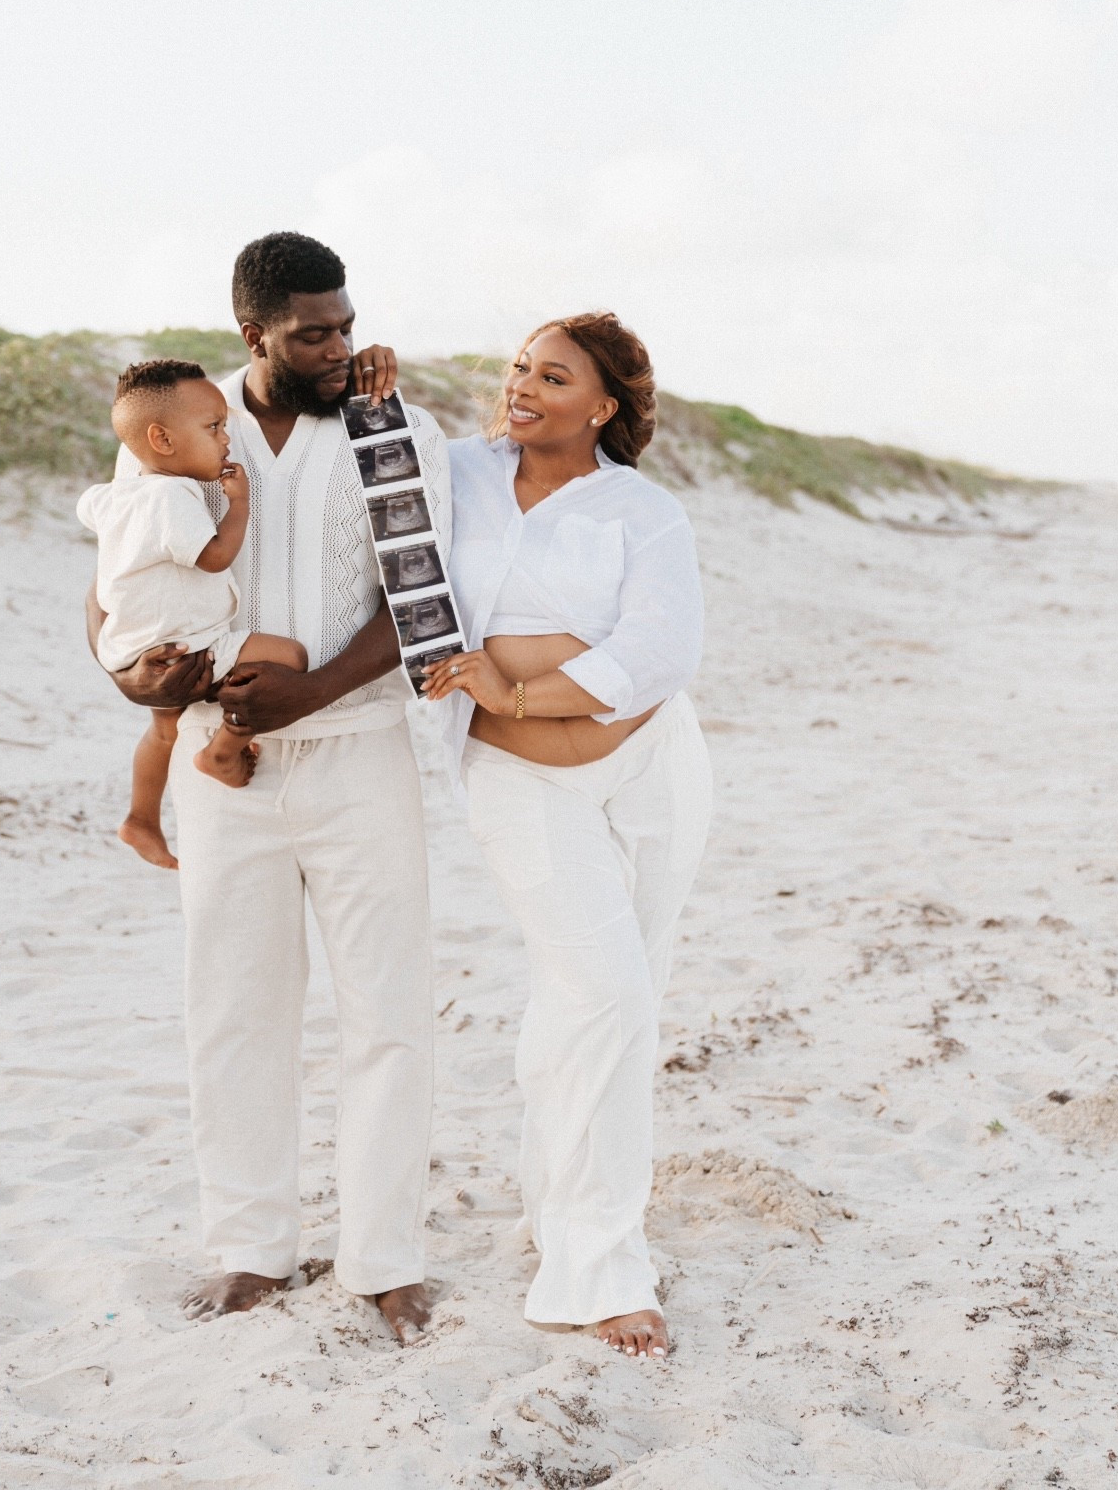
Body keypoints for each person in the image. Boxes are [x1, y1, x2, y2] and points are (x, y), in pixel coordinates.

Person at [85, 232, 450, 1345]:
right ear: (255, 332)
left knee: (388, 1011)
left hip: (360, 753)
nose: (338, 346)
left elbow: (419, 598)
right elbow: (116, 585)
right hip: (220, 768)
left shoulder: (394, 425)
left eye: (345, 324)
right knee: (236, 1010)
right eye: (311, 332)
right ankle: (251, 1251)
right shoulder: (191, 426)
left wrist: (314, 692)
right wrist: (124, 669)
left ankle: (385, 1259)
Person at [423, 311, 710, 1361]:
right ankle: (601, 1266)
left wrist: (530, 686)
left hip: (653, 770)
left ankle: (560, 1210)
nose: (524, 386)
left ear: (603, 405)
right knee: (608, 994)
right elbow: (372, 458)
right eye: (517, 369)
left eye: (554, 375)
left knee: (598, 996)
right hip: (515, 780)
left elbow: (664, 642)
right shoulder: (455, 474)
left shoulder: (643, 510)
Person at [78, 359, 308, 867]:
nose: (226, 439)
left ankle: (141, 818)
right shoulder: (171, 498)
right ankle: (223, 749)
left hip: (136, 646)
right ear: (161, 440)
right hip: (189, 647)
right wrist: (239, 505)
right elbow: (214, 557)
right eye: (213, 428)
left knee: (163, 730)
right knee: (289, 656)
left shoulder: (116, 497)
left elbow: (88, 508)